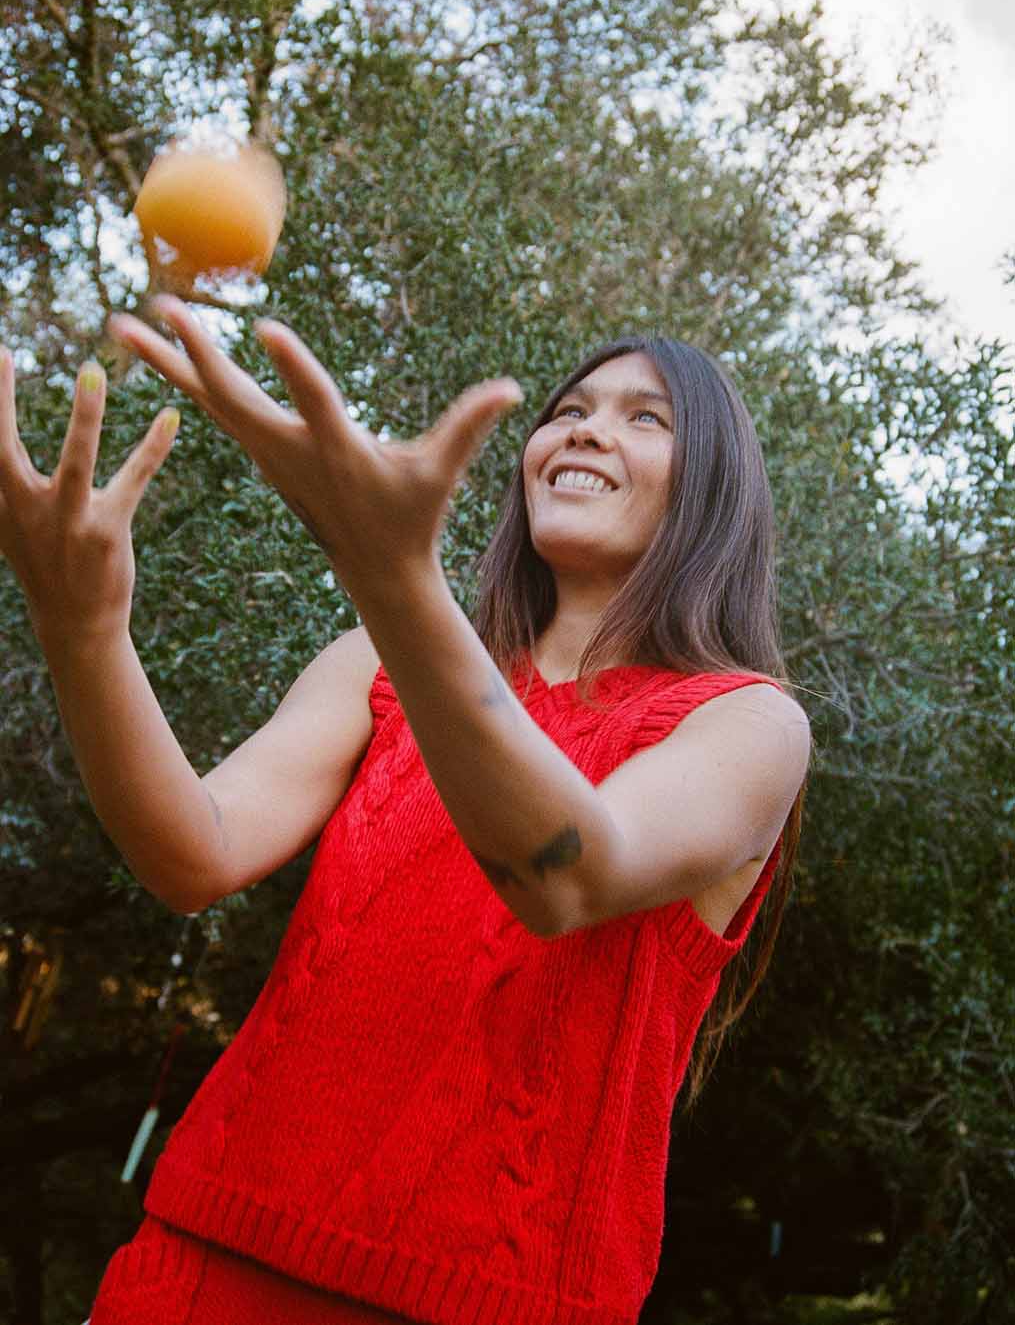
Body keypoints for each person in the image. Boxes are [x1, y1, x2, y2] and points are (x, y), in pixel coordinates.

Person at [0, 298, 810, 1325]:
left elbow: (568, 872)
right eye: (568, 408)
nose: (585, 428)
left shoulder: (748, 724)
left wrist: (386, 569)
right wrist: (82, 628)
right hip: (203, 1254)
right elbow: (189, 853)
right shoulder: (374, 664)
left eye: (647, 417)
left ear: (713, 495)